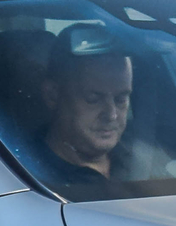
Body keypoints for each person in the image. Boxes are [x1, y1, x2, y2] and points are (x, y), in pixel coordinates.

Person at [21, 23, 160, 190]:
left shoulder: (149, 159)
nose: (111, 115)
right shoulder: (25, 178)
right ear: (52, 95)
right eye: (93, 99)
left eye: (121, 99)